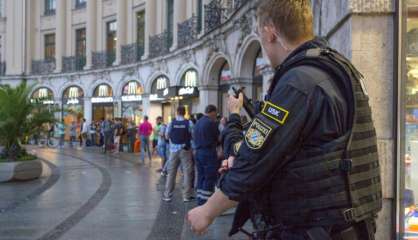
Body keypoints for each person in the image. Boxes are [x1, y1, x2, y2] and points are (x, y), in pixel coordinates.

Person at [188, 1, 382, 239]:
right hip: (347, 225)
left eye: (260, 37)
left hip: (315, 229)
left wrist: (207, 211)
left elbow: (252, 159)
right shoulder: (338, 67)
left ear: (271, 33)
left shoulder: (298, 83)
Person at [163, 106, 194, 202]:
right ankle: (186, 196)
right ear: (185, 113)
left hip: (173, 151)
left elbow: (167, 136)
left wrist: (173, 141)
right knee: (187, 173)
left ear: (177, 112)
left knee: (171, 173)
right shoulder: (189, 123)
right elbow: (193, 135)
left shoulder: (171, 123)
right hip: (185, 150)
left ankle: (168, 195)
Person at [193, 105, 220, 206]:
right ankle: (205, 202)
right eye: (215, 113)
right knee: (209, 177)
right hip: (208, 152)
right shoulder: (210, 123)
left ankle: (199, 199)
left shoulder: (198, 122)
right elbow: (218, 137)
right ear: (212, 112)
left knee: (201, 176)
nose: (215, 116)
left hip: (198, 152)